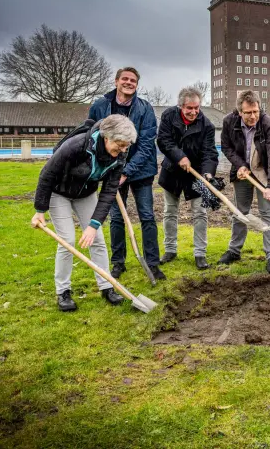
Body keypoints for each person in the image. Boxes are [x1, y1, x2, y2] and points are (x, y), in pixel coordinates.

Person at [31, 115, 137, 312]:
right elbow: (47, 174)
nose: (122, 150)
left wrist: (93, 224)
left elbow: (108, 192)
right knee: (67, 240)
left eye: (126, 146)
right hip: (59, 192)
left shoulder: (120, 155)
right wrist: (40, 210)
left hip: (86, 193)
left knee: (97, 239)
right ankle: (63, 292)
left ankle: (106, 286)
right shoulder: (77, 145)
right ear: (106, 137)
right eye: (119, 145)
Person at [88, 67, 163, 280]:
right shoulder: (101, 106)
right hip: (111, 171)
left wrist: (127, 171)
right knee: (116, 218)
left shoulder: (145, 108)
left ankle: (153, 263)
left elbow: (147, 145)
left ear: (137, 85)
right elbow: (92, 134)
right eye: (125, 79)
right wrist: (113, 170)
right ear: (116, 81)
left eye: (133, 80)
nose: (129, 83)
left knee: (147, 216)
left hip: (141, 171)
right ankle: (118, 262)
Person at [218, 90, 270, 273]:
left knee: (268, 213)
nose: (253, 116)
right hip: (242, 172)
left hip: (263, 172)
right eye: (248, 112)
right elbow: (226, 147)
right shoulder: (229, 122)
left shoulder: (269, 124)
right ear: (240, 111)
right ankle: (234, 250)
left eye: (255, 111)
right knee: (240, 212)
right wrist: (239, 165)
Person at [157, 87, 219, 270]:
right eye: (189, 108)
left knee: (200, 213)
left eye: (196, 108)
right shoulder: (168, 116)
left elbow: (210, 152)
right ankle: (170, 250)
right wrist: (180, 156)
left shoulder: (206, 125)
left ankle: (200, 253)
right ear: (180, 106)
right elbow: (163, 141)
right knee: (170, 212)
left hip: (197, 172)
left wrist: (208, 174)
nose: (193, 112)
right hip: (172, 171)